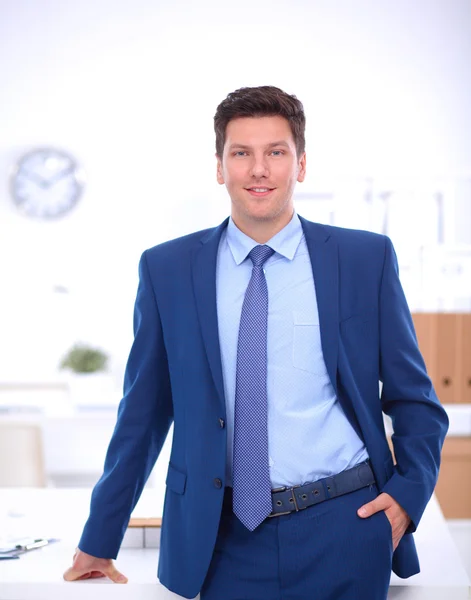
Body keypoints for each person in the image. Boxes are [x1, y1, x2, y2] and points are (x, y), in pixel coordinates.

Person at [63, 85, 449, 599]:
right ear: (220, 167)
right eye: (241, 153)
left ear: (301, 165)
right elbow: (144, 413)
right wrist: (100, 535)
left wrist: (407, 495)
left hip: (347, 524)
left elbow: (415, 400)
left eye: (276, 152)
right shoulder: (168, 269)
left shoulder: (364, 260)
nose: (258, 169)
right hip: (218, 537)